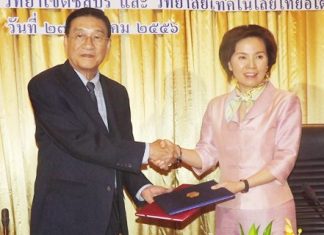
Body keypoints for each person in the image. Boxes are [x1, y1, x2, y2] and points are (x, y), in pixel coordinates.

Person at [28, 8, 174, 235]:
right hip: (62, 218)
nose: (89, 43)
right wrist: (148, 151)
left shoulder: (117, 92)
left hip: (109, 217)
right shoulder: (45, 85)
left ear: (108, 44)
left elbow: (120, 149)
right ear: (66, 40)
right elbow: (79, 141)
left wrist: (142, 187)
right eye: (80, 35)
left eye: (97, 36)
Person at [162, 24, 302, 234]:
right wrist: (177, 152)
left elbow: (285, 159)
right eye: (242, 57)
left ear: (269, 62)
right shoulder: (217, 106)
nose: (251, 65)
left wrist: (243, 184)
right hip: (228, 208)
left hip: (270, 207)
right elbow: (206, 155)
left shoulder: (285, 102)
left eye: (259, 56)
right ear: (229, 62)